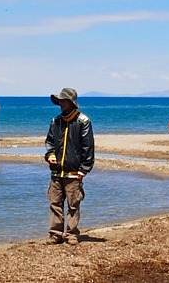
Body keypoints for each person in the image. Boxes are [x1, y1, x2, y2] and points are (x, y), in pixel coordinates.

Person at [44, 87, 94, 245]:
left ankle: (71, 234)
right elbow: (49, 142)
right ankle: (55, 233)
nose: (61, 104)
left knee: (73, 205)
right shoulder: (56, 121)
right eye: (60, 101)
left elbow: (88, 147)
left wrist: (84, 169)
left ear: (71, 103)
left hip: (74, 172)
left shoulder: (83, 121)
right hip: (57, 172)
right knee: (55, 203)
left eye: (64, 101)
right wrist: (50, 155)